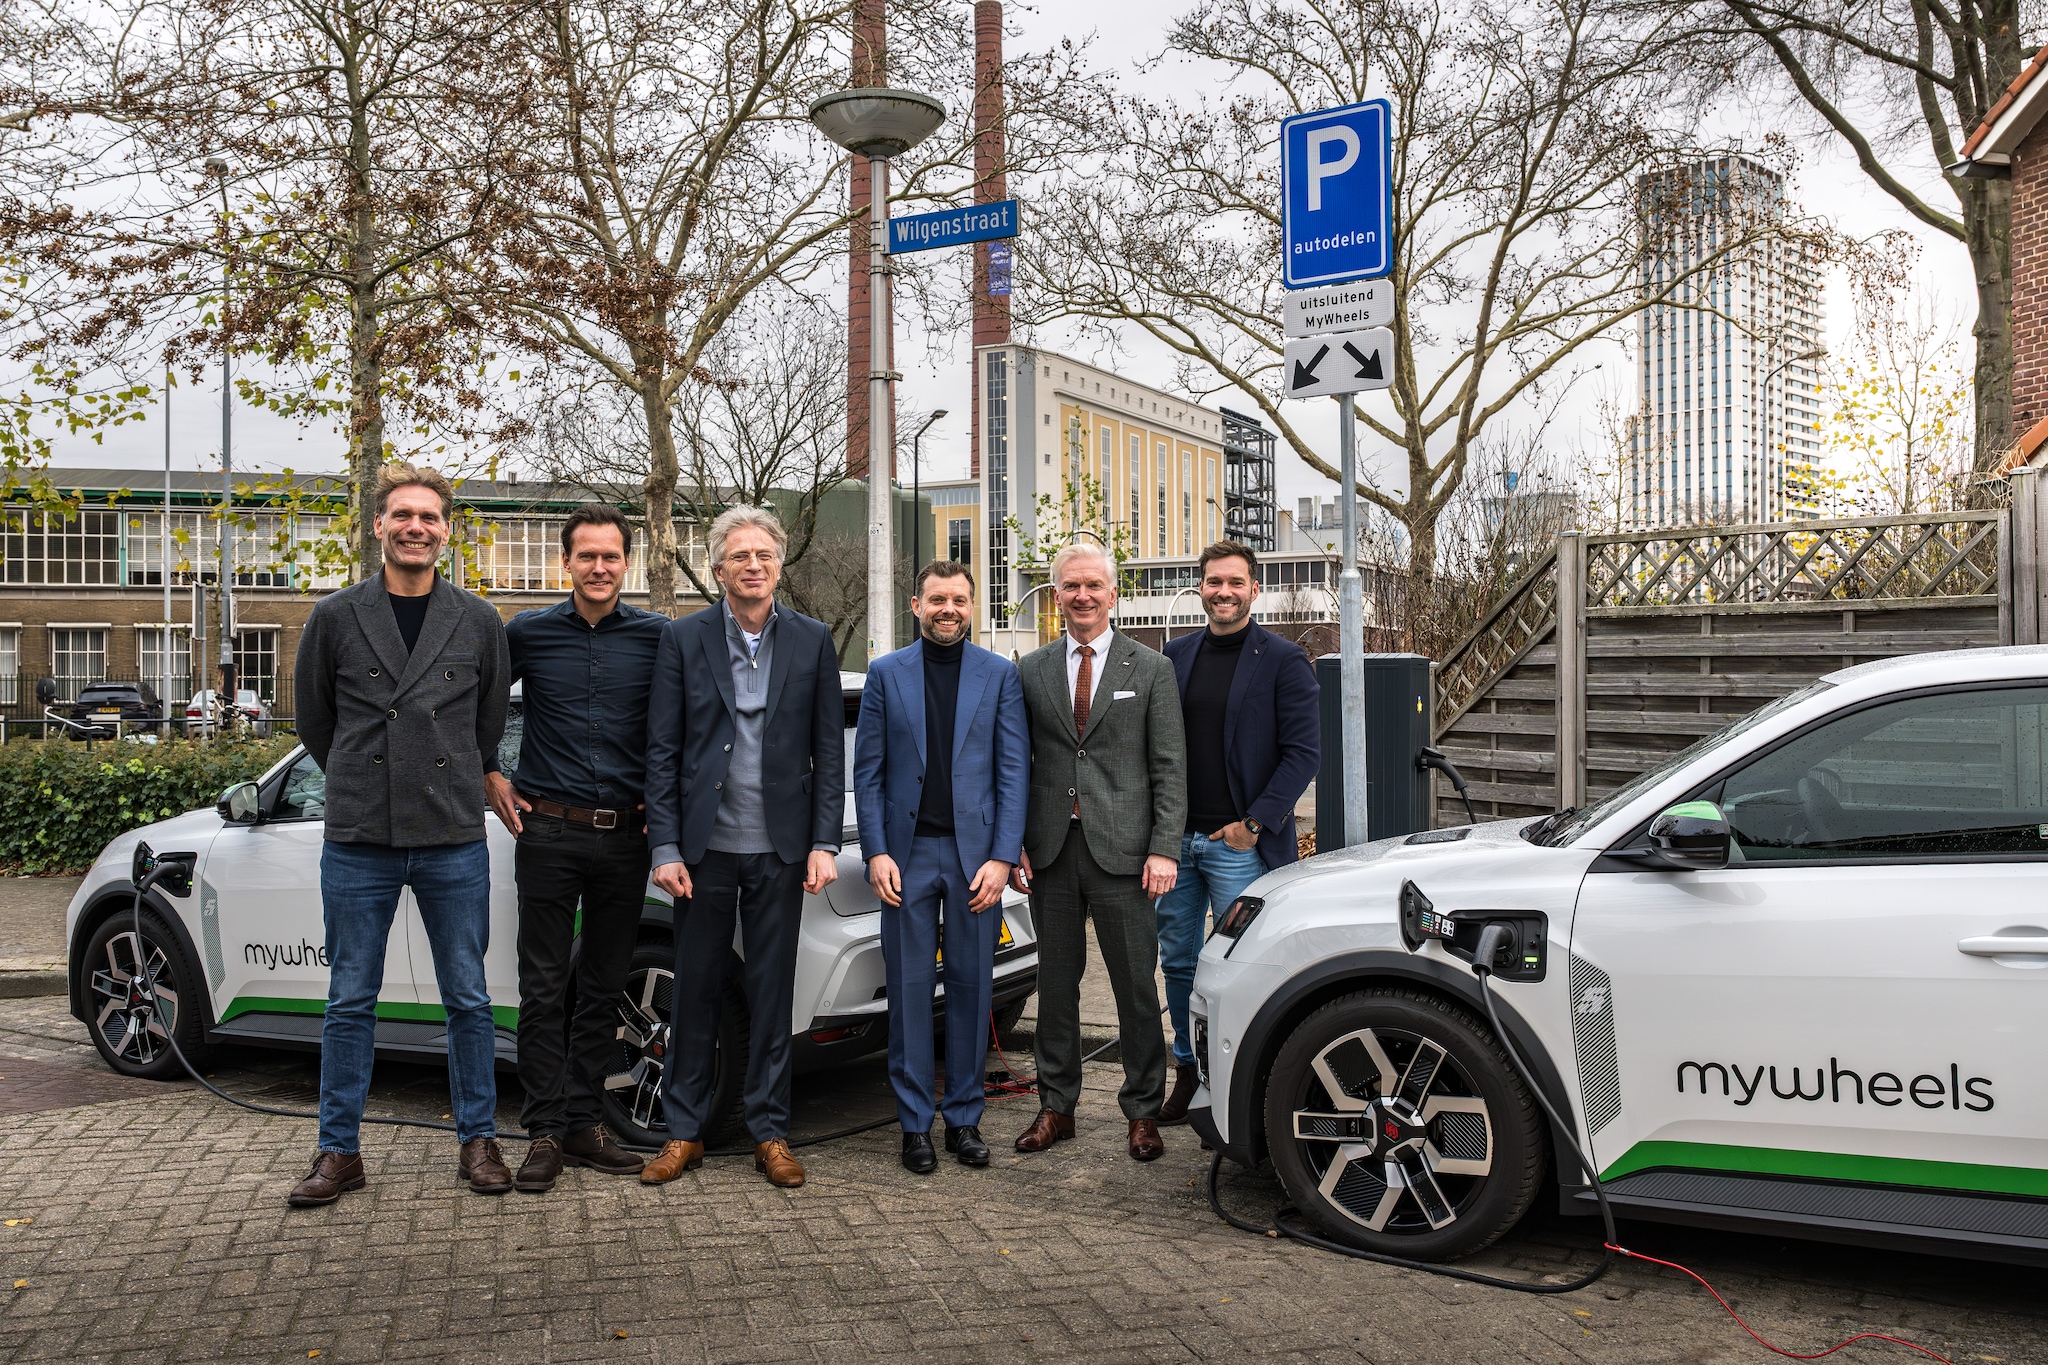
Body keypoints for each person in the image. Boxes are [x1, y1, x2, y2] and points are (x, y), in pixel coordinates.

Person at [288, 462, 512, 1207]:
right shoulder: (335, 617)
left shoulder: (478, 619)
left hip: (451, 832)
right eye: (403, 515)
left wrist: (444, 779)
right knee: (350, 997)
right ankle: (338, 1149)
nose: (417, 527)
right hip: (359, 835)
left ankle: (477, 1140)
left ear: (447, 530)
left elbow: (485, 730)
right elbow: (317, 724)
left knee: (468, 996)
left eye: (430, 516)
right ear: (379, 525)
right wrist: (363, 780)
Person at [638, 506, 845, 1190]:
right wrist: (664, 844)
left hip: (781, 852)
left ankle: (770, 1131)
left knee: (770, 990)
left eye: (764, 554)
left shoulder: (813, 641)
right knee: (694, 990)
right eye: (739, 555)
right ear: (719, 567)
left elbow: (827, 752)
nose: (752, 565)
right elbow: (663, 749)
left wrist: (822, 841)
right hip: (702, 853)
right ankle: (683, 1131)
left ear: (778, 565)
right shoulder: (684, 638)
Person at [484, 505, 666, 1191]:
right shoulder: (527, 632)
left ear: (627, 562)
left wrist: (665, 793)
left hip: (627, 837)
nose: (598, 567)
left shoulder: (657, 638)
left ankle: (587, 1126)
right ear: (566, 563)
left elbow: (679, 722)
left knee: (601, 986)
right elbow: (477, 700)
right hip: (548, 833)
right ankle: (544, 1131)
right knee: (542, 987)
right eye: (585, 556)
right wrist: (489, 772)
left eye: (610, 556)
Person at [1009, 541, 1185, 1162]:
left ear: (1114, 594)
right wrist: (1016, 846)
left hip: (1128, 856)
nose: (1081, 596)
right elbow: (1018, 765)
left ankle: (1142, 1111)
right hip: (1052, 853)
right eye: (1070, 586)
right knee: (1056, 988)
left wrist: (1164, 848)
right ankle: (1057, 1107)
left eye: (1093, 586)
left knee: (1136, 987)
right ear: (1056, 595)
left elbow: (1168, 767)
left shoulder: (1152, 669)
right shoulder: (1030, 670)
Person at [852, 561, 1028, 1175]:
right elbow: (867, 773)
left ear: (973, 606)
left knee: (971, 988)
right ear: (915, 604)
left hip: (976, 859)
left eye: (958, 599)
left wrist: (1003, 857)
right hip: (906, 857)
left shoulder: (1000, 676)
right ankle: (913, 1127)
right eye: (936, 599)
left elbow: (1014, 772)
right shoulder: (885, 674)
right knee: (906, 992)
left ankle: (963, 1120)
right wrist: (876, 851)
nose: (947, 609)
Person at [1156, 541, 1319, 1123]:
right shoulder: (1173, 656)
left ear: (1253, 588)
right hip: (1173, 843)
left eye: (1234, 582)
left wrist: (1254, 823)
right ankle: (1187, 1069)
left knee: (1243, 962)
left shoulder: (1282, 659)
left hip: (1237, 847)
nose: (1223, 591)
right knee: (1177, 960)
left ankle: (1236, 1078)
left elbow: (1303, 754)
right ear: (1200, 588)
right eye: (1212, 581)